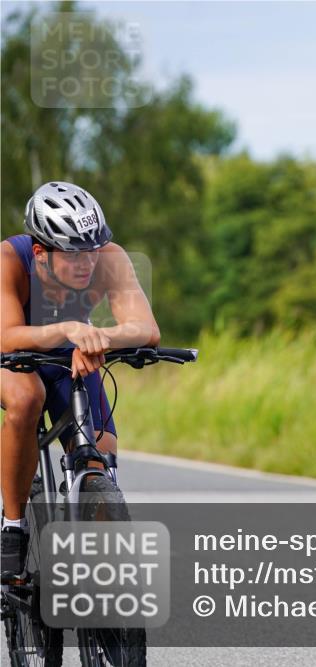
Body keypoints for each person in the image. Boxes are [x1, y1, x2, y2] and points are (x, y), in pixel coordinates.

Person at [0, 181, 160, 582]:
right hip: (12, 355)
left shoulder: (108, 258)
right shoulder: (9, 259)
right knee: (25, 397)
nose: (86, 261)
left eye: (91, 248)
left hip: (70, 356)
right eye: (72, 254)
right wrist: (68, 329)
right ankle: (14, 528)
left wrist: (101, 337)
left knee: (98, 455)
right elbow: (6, 336)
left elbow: (145, 328)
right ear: (40, 252)